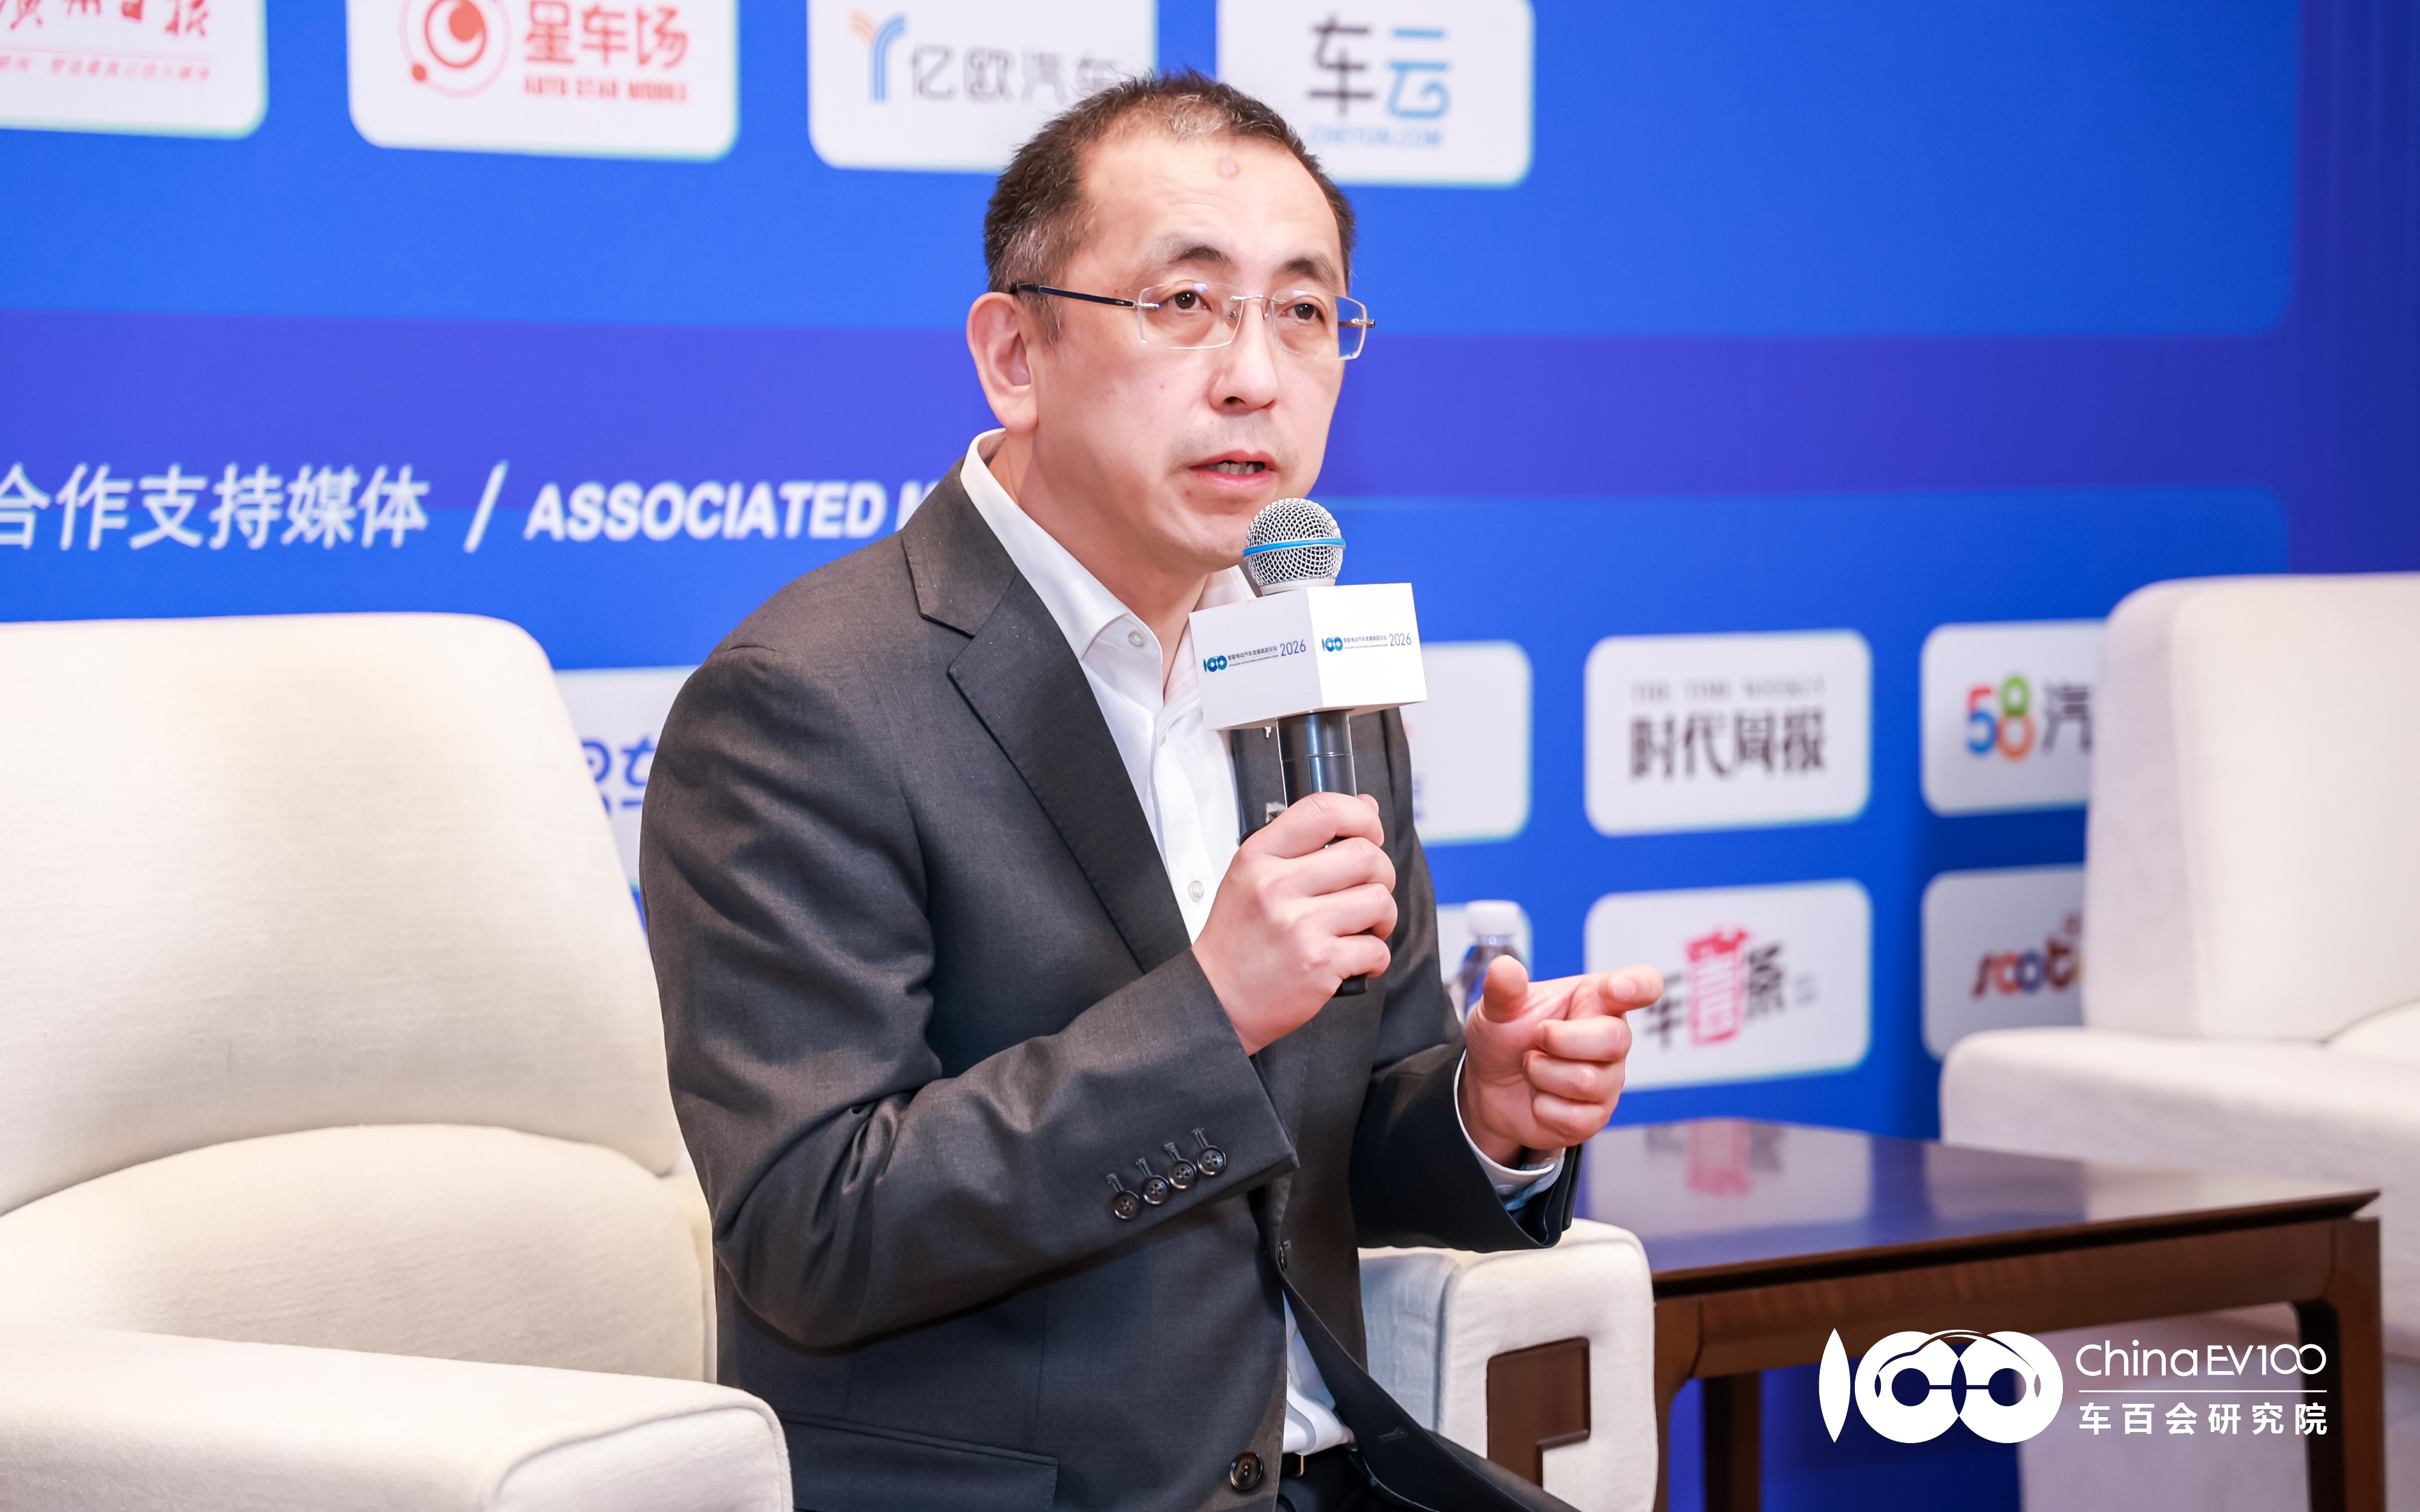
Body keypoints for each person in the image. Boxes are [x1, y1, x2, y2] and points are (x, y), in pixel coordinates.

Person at [642, 73, 1663, 1512]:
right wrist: (1211, 1008)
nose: (1254, 375)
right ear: (1015, 353)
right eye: (1185, 303)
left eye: (1302, 311)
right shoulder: (806, 700)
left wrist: (1483, 1114)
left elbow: (1330, 1151)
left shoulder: (1311, 669)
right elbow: (814, 1233)